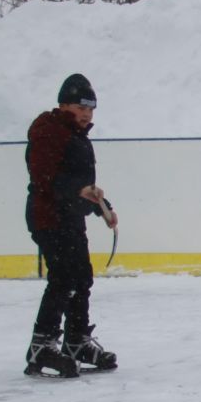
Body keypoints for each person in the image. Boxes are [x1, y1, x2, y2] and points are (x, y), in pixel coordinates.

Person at [23, 73, 118, 377]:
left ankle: (76, 341)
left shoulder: (76, 136)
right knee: (63, 278)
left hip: (70, 218)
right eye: (81, 107)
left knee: (81, 278)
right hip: (48, 218)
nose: (87, 114)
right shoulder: (49, 132)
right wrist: (77, 192)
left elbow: (79, 184)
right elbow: (44, 178)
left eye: (91, 109)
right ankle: (42, 344)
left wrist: (102, 206)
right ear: (63, 104)